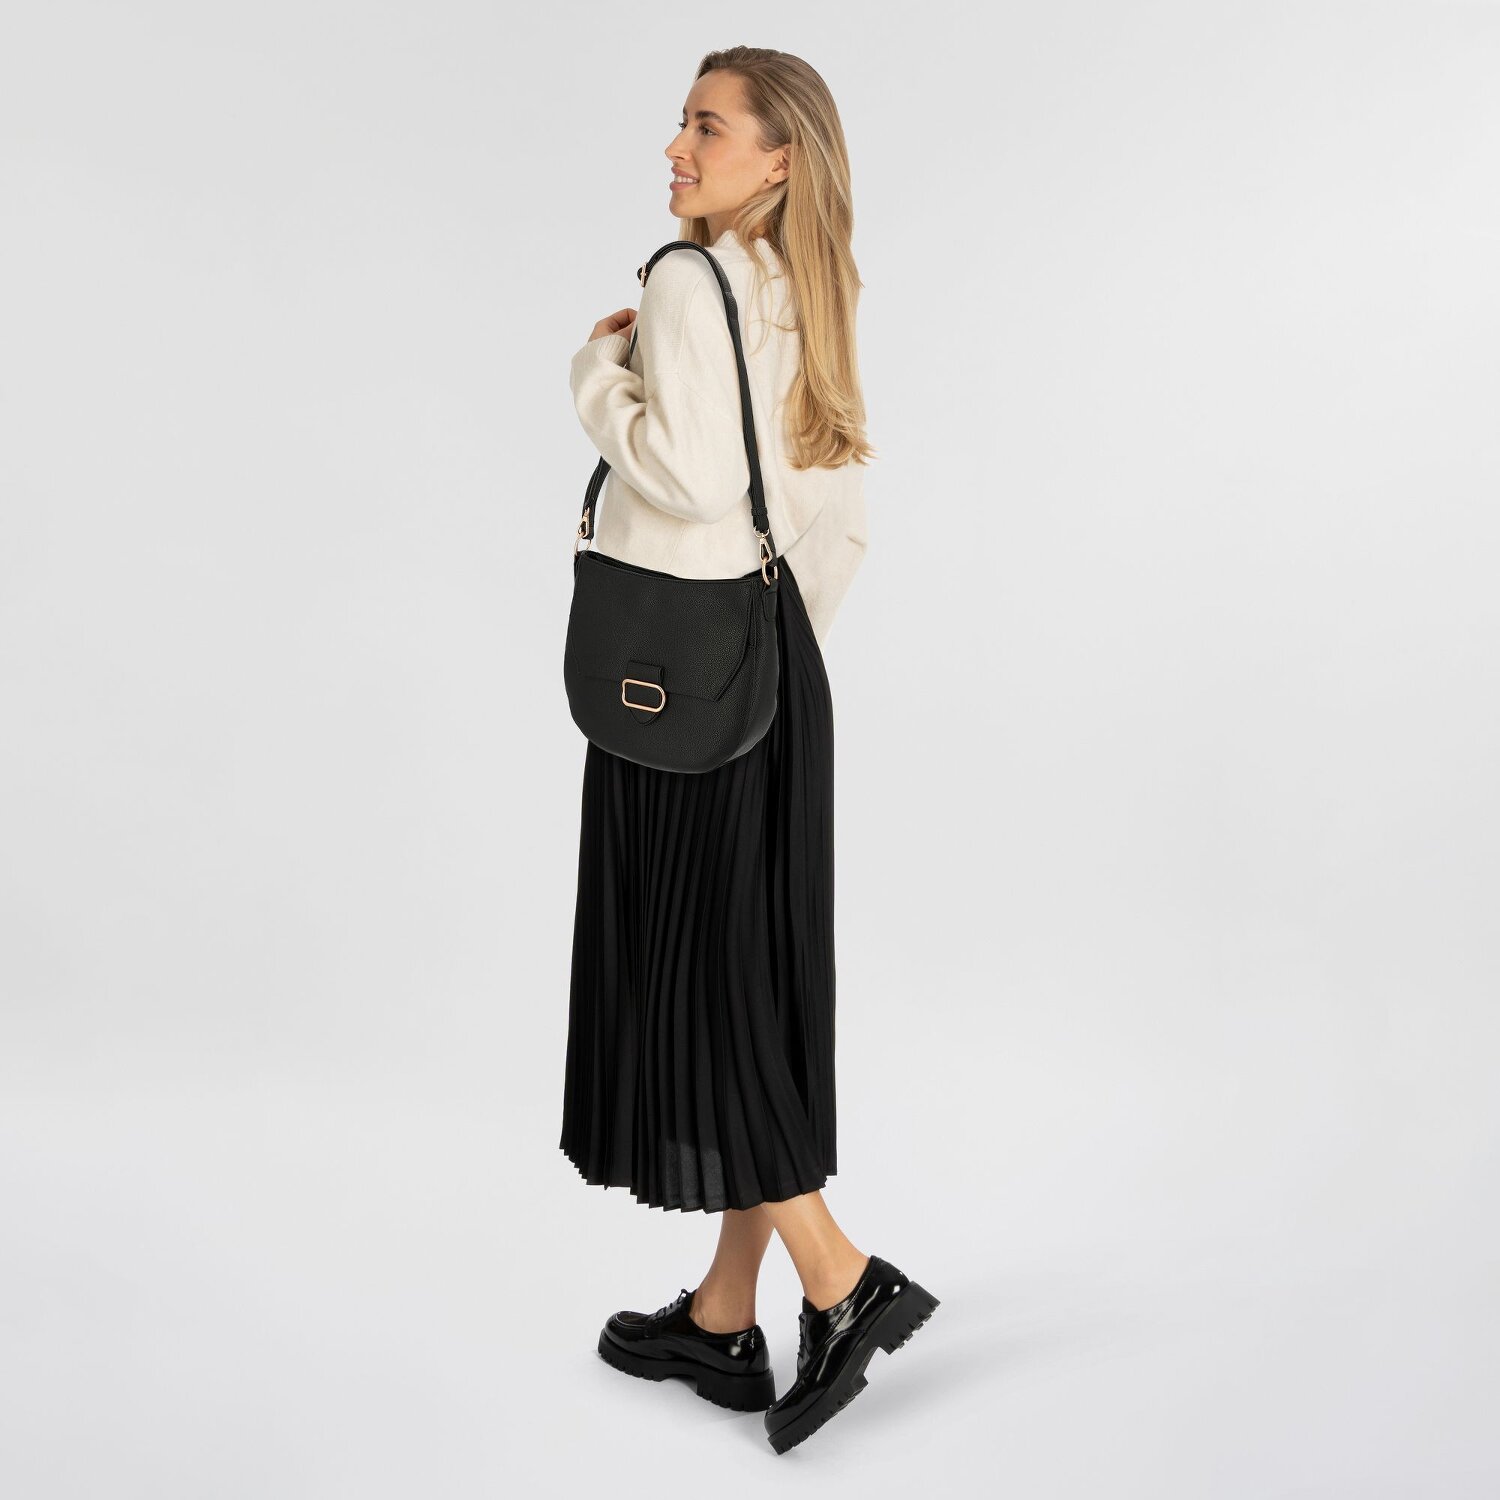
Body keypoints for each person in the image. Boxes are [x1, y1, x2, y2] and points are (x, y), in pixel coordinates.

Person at [561, 46, 937, 1456]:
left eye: (706, 127)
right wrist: (779, 662)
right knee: (747, 988)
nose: (677, 147)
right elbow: (832, 515)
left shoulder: (683, 282)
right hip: (776, 672)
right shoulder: (807, 289)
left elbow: (690, 475)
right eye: (683, 123)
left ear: (777, 159)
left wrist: (597, 374)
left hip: (681, 689)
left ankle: (841, 1281)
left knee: (699, 990)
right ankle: (724, 1318)